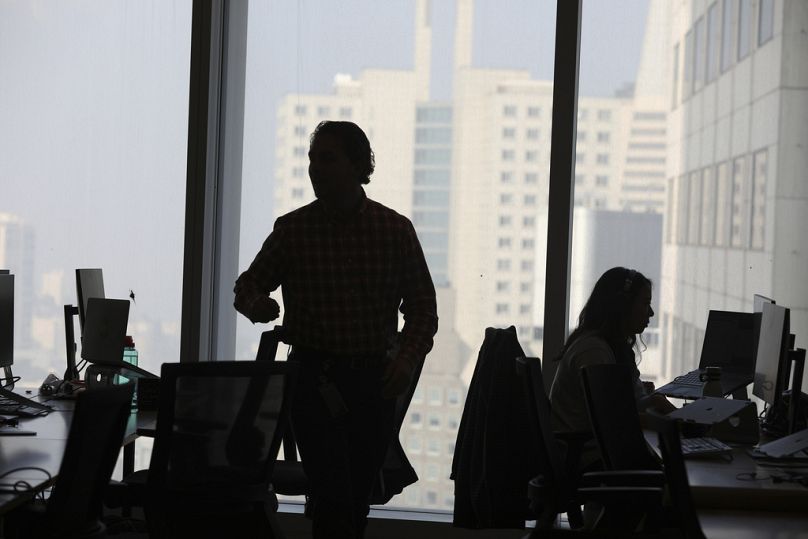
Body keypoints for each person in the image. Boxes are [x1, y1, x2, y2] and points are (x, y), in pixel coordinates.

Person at [234, 120, 438, 539]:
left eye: (326, 159)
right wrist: (258, 305)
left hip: (372, 383)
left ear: (358, 165)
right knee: (335, 494)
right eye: (312, 159)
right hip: (314, 380)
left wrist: (406, 358)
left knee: (353, 496)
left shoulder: (393, 231)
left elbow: (423, 310)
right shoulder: (294, 230)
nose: (314, 169)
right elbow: (247, 285)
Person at [549, 266, 674, 473]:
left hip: (598, 453)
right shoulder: (593, 351)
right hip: (591, 459)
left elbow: (614, 411)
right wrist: (672, 420)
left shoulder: (602, 346)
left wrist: (647, 399)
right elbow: (614, 420)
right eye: (645, 303)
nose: (650, 312)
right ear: (622, 306)